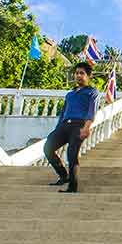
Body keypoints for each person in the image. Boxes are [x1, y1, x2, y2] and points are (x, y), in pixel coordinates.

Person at [43, 62, 100, 193]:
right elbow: (63, 112)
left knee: (72, 154)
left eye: (82, 73)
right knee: (48, 148)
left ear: (88, 76)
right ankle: (64, 176)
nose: (79, 76)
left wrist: (86, 127)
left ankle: (73, 187)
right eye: (77, 73)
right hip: (64, 125)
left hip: (79, 125)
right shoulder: (70, 94)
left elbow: (92, 111)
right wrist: (57, 128)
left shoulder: (92, 92)